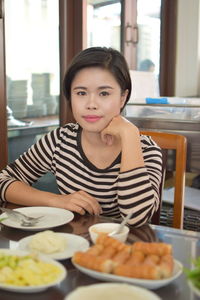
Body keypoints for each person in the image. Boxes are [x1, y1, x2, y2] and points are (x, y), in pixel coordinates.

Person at [0, 47, 162, 227]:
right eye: (81, 93)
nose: (91, 104)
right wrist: (57, 201)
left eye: (104, 93)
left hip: (120, 248)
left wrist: (130, 134)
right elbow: (3, 181)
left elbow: (136, 218)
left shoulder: (147, 150)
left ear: (123, 98)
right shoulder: (60, 140)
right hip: (70, 244)